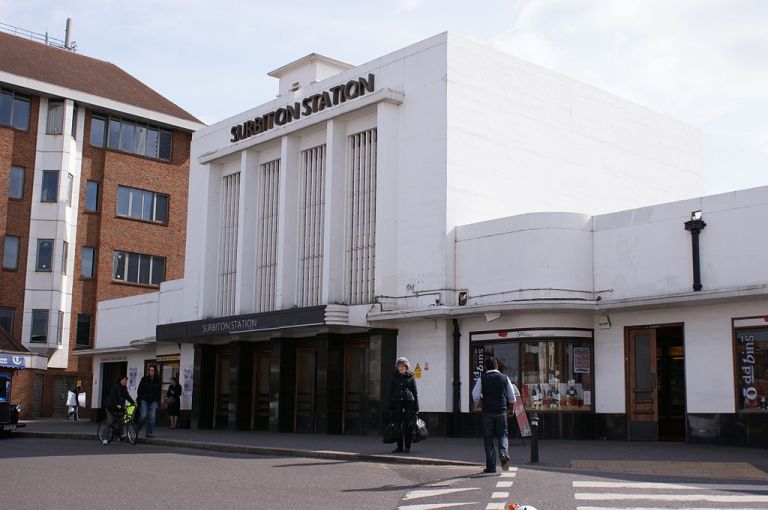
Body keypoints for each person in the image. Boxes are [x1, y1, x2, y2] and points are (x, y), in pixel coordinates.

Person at [472, 356, 516, 473]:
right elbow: (512, 396)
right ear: (497, 366)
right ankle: (503, 453)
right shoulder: (504, 378)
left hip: (487, 412)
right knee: (503, 435)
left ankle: (491, 467)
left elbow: (475, 394)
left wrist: (481, 401)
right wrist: (511, 409)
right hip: (501, 411)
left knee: (488, 438)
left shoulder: (483, 378)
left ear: (486, 368)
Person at [388, 356, 418, 454]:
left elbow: (414, 392)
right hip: (397, 403)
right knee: (397, 426)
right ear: (397, 367)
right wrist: (390, 405)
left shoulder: (411, 376)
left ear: (406, 367)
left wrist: (416, 406)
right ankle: (399, 447)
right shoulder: (393, 376)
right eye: (399, 366)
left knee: (407, 426)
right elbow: (391, 391)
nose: (401, 368)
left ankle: (407, 447)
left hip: (408, 403)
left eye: (402, 366)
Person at [103, 375, 136, 444]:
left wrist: (134, 403)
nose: (124, 381)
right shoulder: (115, 387)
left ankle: (120, 434)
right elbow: (113, 396)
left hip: (119, 407)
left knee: (122, 420)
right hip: (110, 407)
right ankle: (105, 438)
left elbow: (127, 396)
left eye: (125, 380)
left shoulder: (124, 388)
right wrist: (116, 404)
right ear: (119, 380)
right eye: (123, 380)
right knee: (110, 421)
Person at [137, 365, 162, 438]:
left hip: (153, 401)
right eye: (150, 370)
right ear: (148, 371)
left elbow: (159, 392)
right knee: (143, 416)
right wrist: (140, 398)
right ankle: (137, 429)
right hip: (144, 400)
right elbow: (139, 390)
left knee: (152, 417)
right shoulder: (144, 379)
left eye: (153, 370)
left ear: (155, 371)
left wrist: (157, 400)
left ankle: (149, 433)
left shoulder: (157, 380)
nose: (151, 372)